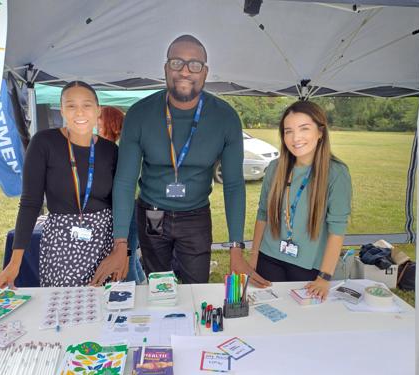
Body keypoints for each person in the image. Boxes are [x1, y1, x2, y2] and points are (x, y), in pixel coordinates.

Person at [112, 34, 258, 284]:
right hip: (152, 213)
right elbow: (125, 181)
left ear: (205, 72)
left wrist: (236, 248)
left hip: (195, 215)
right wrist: (120, 243)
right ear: (166, 68)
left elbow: (233, 184)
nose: (185, 71)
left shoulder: (225, 117)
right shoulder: (139, 114)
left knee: (196, 288)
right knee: (159, 288)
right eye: (177, 63)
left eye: (195, 65)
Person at [0, 81, 128, 288]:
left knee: (105, 309)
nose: (79, 112)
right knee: (63, 311)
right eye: (71, 106)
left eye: (86, 105)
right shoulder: (44, 143)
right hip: (60, 244)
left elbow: (121, 203)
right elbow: (30, 202)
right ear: (62, 110)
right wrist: (15, 261)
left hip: (104, 243)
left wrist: (123, 251)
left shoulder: (110, 150)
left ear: (97, 110)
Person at [247, 101, 352, 299]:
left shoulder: (336, 173)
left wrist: (324, 276)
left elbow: (337, 229)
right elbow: (263, 214)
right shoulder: (275, 168)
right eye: (288, 131)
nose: (296, 138)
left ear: (321, 132)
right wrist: (254, 257)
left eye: (304, 129)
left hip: (309, 265)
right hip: (269, 257)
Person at [98, 106, 146, 284]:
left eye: (99, 120)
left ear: (109, 123)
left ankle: (134, 295)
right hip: (129, 209)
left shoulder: (115, 151)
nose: (97, 124)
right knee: (130, 257)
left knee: (126, 260)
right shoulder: (116, 149)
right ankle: (142, 287)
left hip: (126, 211)